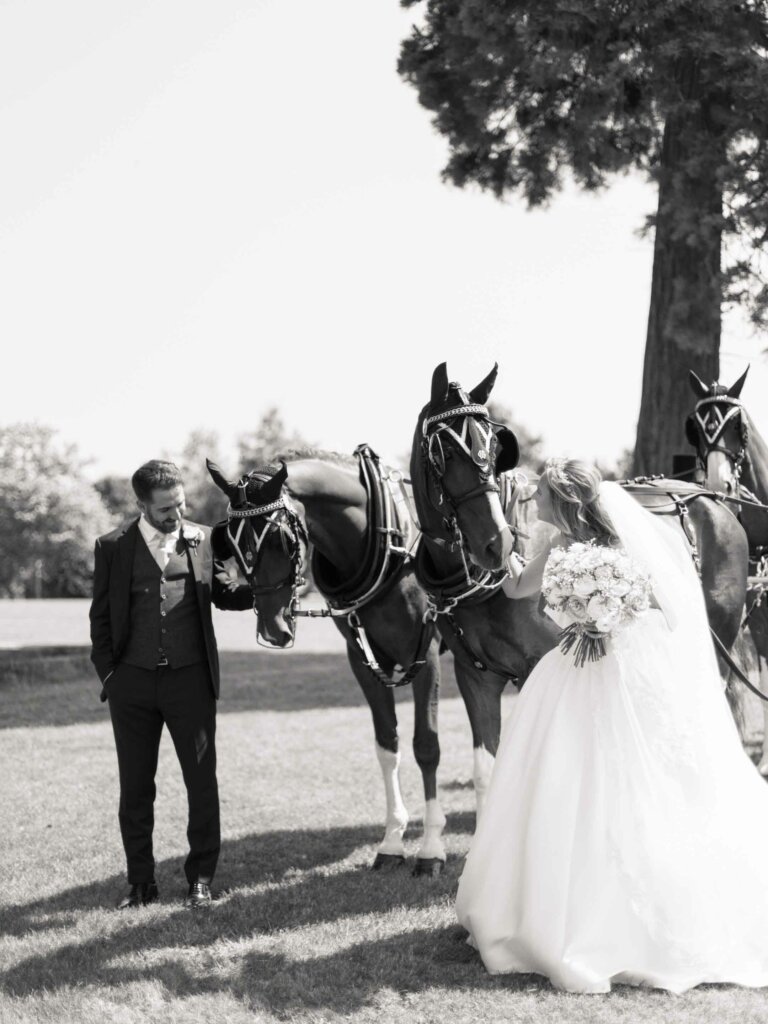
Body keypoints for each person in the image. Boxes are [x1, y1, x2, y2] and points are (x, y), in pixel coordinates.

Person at [455, 457, 768, 993]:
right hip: (578, 668)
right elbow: (516, 591)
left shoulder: (601, 545)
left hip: (616, 669)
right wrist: (519, 561)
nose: (536, 504)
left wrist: (613, 615)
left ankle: (606, 915)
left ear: (562, 498)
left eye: (544, 496)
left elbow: (665, 610)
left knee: (614, 778)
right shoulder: (568, 543)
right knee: (571, 776)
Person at [89, 460, 253, 910]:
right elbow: (100, 621)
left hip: (191, 682)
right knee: (136, 788)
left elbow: (225, 593)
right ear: (141, 505)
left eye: (179, 505)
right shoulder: (112, 547)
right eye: (164, 509)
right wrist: (112, 679)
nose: (175, 515)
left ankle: (200, 878)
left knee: (202, 783)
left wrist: (263, 587)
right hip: (132, 686)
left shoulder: (204, 539)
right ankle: (140, 882)